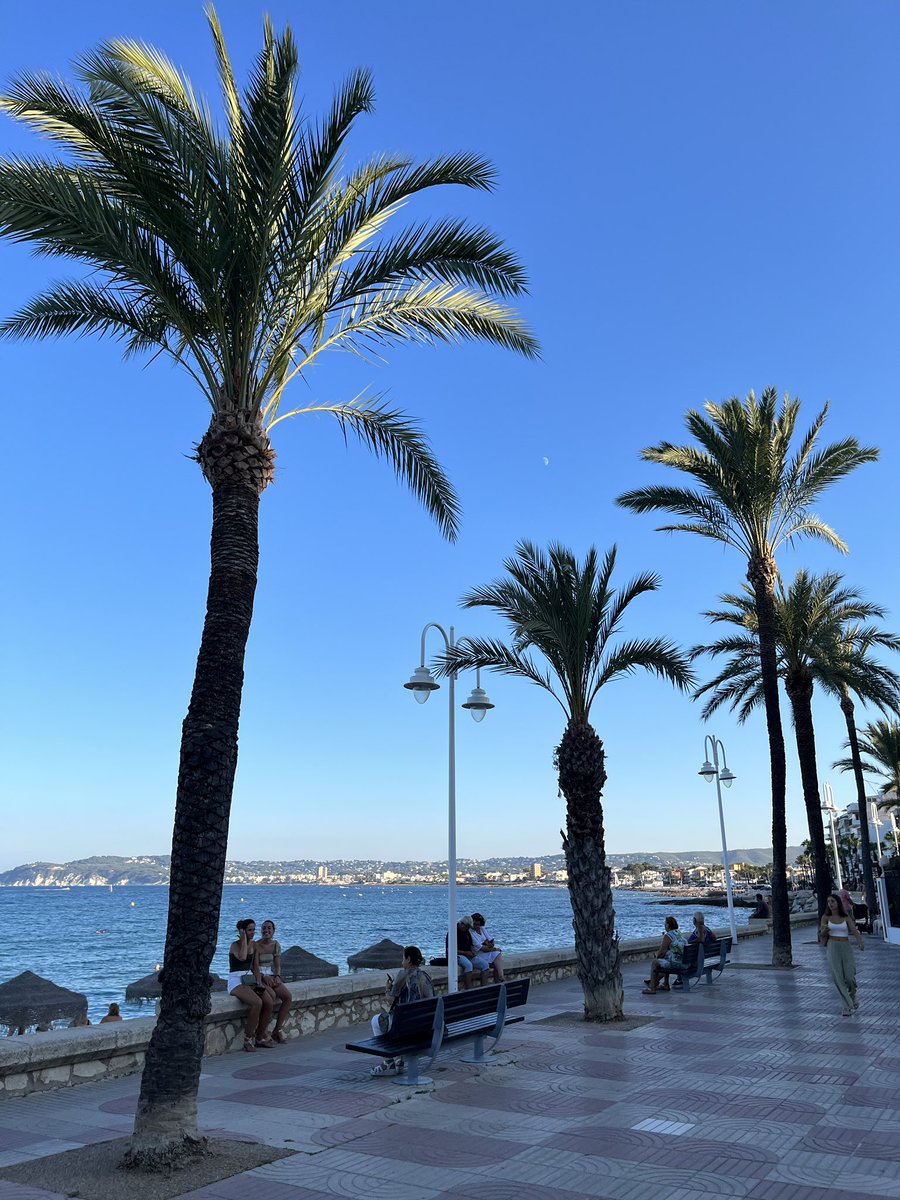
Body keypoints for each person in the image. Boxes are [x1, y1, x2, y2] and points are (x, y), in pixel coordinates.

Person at [370, 945, 434, 1077]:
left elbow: (390, 1000)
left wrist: (387, 988)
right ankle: (399, 1061)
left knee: (376, 1021)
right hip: (425, 1027)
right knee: (392, 1020)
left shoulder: (403, 975)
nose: (402, 961)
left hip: (407, 1028)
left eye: (403, 958)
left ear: (409, 959)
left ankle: (389, 1062)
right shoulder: (425, 977)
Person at [228, 917, 274, 1051]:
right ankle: (248, 1038)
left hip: (250, 979)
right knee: (257, 1003)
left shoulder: (254, 945)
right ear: (242, 931)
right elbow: (242, 957)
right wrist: (243, 940)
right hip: (236, 980)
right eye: (249, 930)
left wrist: (259, 982)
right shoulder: (234, 945)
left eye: (254, 930)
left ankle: (260, 1036)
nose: (253, 932)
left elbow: (255, 967)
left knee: (268, 1002)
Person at [820, 893, 864, 1016]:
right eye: (828, 901)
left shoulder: (845, 917)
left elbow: (854, 930)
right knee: (838, 977)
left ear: (838, 902)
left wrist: (859, 942)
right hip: (832, 947)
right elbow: (822, 934)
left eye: (832, 901)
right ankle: (846, 1006)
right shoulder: (826, 917)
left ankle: (853, 996)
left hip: (845, 946)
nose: (830, 904)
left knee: (850, 977)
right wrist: (825, 930)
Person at [255, 919, 292, 1043]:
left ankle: (277, 1030)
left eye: (269, 928)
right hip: (259, 977)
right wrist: (263, 977)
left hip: (271, 976)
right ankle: (261, 1032)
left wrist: (277, 976)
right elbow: (254, 967)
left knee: (287, 997)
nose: (266, 930)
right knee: (271, 996)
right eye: (264, 928)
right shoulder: (256, 945)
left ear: (274, 931)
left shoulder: (276, 945)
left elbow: (277, 965)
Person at [642, 916, 686, 995]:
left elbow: (661, 952)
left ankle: (652, 987)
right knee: (666, 958)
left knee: (655, 963)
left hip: (678, 964)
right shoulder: (678, 933)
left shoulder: (668, 936)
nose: (664, 926)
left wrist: (657, 958)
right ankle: (665, 984)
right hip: (685, 962)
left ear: (668, 925)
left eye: (665, 924)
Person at [470, 912, 505, 983]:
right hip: (478, 954)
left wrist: (490, 944)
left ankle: (501, 977)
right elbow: (482, 948)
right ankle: (499, 980)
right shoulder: (470, 932)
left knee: (497, 954)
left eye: (478, 924)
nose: (476, 926)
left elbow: (491, 940)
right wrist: (493, 948)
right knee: (496, 955)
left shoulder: (482, 929)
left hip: (487, 951)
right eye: (475, 924)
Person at [446, 916, 477, 989]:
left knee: (484, 965)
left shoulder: (467, 932)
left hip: (467, 954)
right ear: (462, 924)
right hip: (457, 955)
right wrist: (465, 953)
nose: (467, 929)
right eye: (467, 927)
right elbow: (450, 950)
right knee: (468, 965)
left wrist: (472, 951)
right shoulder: (453, 932)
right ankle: (468, 987)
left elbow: (471, 944)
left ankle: (484, 987)